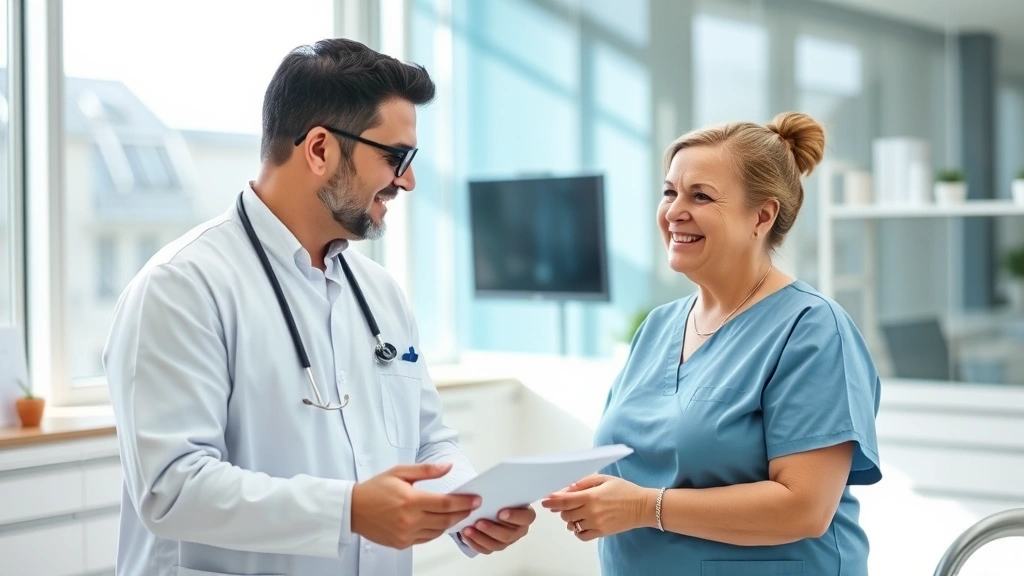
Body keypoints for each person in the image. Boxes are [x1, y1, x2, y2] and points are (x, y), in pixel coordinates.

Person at [103, 38, 535, 576]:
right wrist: (348, 510)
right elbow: (172, 487)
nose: (408, 180)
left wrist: (467, 507)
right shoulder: (181, 287)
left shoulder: (380, 293)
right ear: (319, 149)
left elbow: (428, 440)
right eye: (395, 157)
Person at [542, 112, 881, 576]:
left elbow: (804, 508)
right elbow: (640, 469)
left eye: (700, 196)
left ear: (762, 216)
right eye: (669, 192)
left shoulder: (811, 329)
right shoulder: (659, 326)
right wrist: (588, 498)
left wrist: (645, 508)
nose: (674, 211)